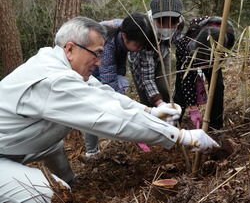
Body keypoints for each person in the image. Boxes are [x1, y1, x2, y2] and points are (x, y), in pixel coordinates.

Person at [0, 16, 219, 202]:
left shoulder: (59, 64)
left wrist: (149, 112)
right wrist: (179, 136)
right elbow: (108, 116)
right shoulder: (54, 79)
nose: (99, 62)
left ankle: (70, 181)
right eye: (96, 53)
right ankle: (58, 188)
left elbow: (105, 95)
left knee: (53, 143)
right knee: (53, 194)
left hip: (11, 144)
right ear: (70, 49)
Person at [85, 12, 156, 156]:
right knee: (90, 109)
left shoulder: (126, 28)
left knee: (122, 84)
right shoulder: (107, 44)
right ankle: (92, 152)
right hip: (87, 72)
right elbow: (109, 85)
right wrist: (130, 119)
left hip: (105, 71)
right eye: (138, 45)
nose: (140, 48)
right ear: (124, 36)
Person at [174, 16, 236, 130]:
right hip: (193, 54)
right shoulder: (187, 44)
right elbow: (187, 79)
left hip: (215, 55)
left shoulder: (229, 33)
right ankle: (174, 125)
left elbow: (229, 48)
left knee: (217, 86)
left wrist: (217, 59)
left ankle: (215, 127)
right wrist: (193, 109)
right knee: (180, 88)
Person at [128, 0, 184, 109]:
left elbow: (178, 42)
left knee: (165, 90)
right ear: (154, 19)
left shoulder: (180, 23)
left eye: (172, 22)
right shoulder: (145, 30)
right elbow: (147, 78)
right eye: (162, 22)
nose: (167, 27)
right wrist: (159, 104)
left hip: (163, 53)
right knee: (148, 99)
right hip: (141, 58)